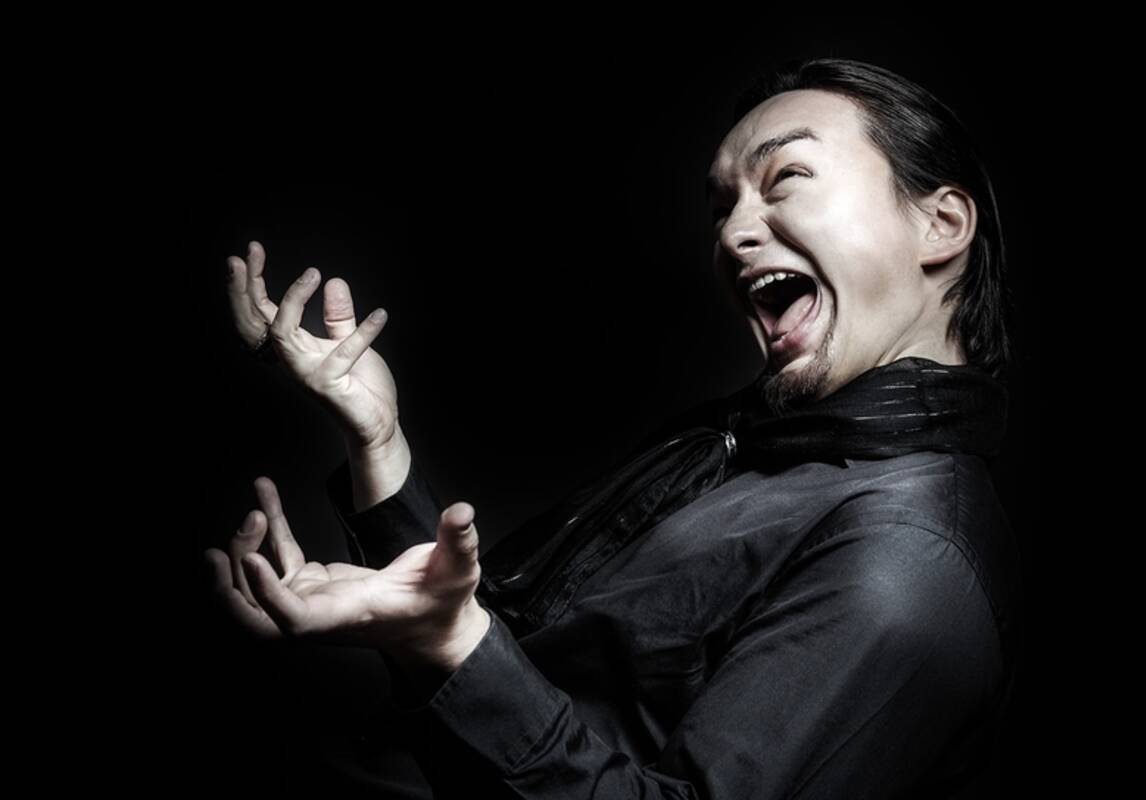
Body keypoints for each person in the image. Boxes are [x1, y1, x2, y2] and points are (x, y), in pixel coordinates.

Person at [206, 56, 1024, 799]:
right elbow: (507, 668)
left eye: (786, 179)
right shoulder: (745, 443)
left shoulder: (907, 559)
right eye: (722, 207)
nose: (731, 233)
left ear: (942, 225)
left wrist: (450, 642)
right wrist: (379, 445)